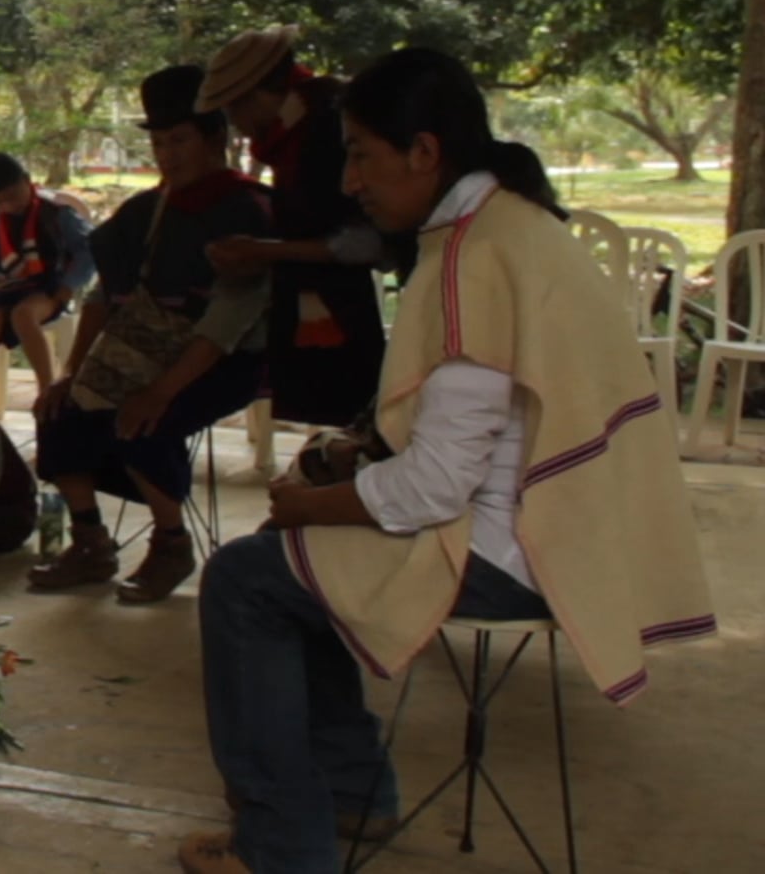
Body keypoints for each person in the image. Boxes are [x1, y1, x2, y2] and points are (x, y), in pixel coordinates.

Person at [178, 47, 716, 874]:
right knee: (292, 566)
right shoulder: (517, 223)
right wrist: (348, 472)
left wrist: (313, 503)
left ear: (424, 151)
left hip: (520, 551)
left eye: (362, 154)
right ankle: (350, 793)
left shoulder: (473, 255)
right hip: (573, 529)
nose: (350, 180)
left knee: (245, 581)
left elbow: (434, 489)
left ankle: (281, 846)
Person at [30, 66, 270, 604]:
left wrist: (159, 391)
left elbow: (228, 320)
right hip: (143, 349)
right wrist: (73, 375)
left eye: (179, 140)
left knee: (143, 420)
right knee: (60, 411)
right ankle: (90, 542)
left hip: (226, 358)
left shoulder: (247, 208)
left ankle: (171, 544)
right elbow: (102, 296)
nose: (167, 155)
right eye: (159, 143)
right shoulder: (145, 210)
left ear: (215, 138)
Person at [197, 27, 387, 470]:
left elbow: (365, 242)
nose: (234, 122)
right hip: (313, 298)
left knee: (355, 428)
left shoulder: (326, 129)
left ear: (260, 95)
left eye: (234, 107)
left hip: (341, 304)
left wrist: (266, 251)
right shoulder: (294, 133)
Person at [0, 152, 94, 419]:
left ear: (27, 181)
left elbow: (89, 250)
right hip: (2, 291)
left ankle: (47, 392)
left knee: (23, 315)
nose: (9, 206)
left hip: (46, 288)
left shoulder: (55, 214)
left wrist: (69, 285)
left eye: (13, 196)